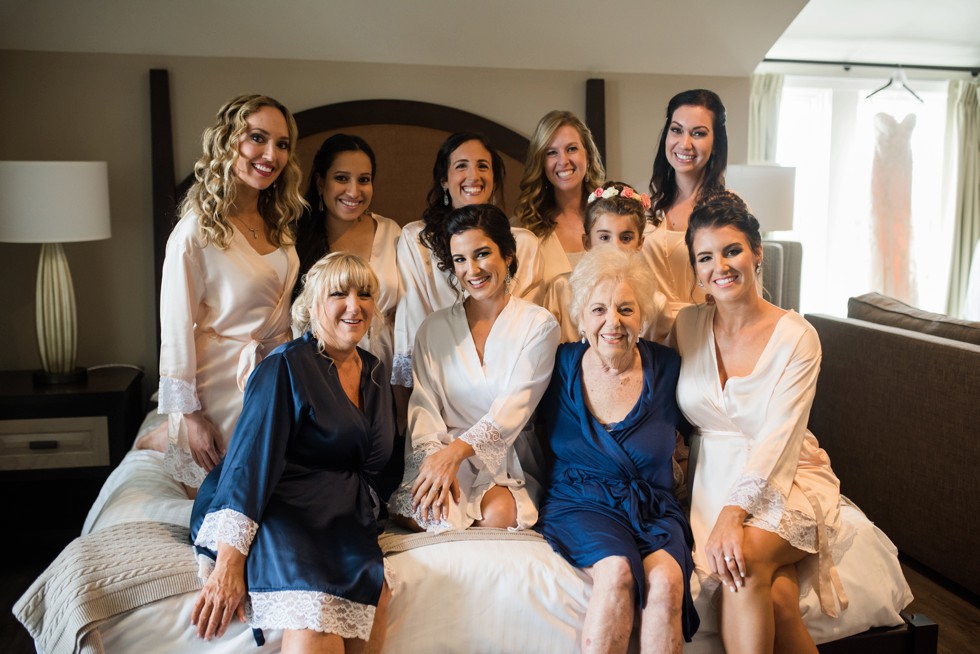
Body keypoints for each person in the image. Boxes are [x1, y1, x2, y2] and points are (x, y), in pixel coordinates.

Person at [674, 192, 910, 653]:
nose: (720, 266)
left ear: (757, 252)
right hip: (710, 480)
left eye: (732, 250)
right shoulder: (685, 325)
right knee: (780, 599)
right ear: (695, 269)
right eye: (705, 257)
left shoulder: (798, 336)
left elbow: (780, 438)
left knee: (740, 565)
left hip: (787, 477)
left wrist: (733, 514)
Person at [190, 252, 394, 653]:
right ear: (312, 304)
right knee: (315, 616)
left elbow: (379, 465)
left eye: (365, 294)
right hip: (281, 504)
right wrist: (230, 562)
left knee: (377, 596)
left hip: (342, 513)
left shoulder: (374, 371)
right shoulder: (284, 367)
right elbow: (249, 464)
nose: (355, 305)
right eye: (340, 293)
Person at [536, 247, 699, 653]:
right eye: (598, 310)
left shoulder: (670, 369)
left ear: (642, 314)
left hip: (654, 508)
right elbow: (504, 411)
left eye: (626, 309)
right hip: (580, 502)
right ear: (580, 317)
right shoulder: (557, 365)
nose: (613, 322)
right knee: (617, 571)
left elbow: (717, 424)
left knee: (667, 583)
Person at [138, 94, 304, 490]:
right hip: (219, 385)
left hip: (274, 378)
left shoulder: (277, 220)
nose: (271, 154)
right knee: (234, 495)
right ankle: (168, 434)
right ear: (228, 142)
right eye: (257, 138)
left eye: (282, 144)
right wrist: (192, 419)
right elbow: (176, 329)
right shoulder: (195, 232)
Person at [388, 204, 559, 533]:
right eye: (460, 260)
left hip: (505, 457)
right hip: (440, 457)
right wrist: (434, 464)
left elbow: (515, 407)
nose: (472, 270)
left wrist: (456, 454)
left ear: (507, 255)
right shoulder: (432, 328)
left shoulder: (538, 325)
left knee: (497, 518)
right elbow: (423, 407)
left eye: (482, 254)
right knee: (431, 514)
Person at [391, 132, 543, 392]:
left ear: (494, 180)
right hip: (438, 379)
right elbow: (413, 321)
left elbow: (526, 324)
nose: (474, 176)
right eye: (461, 166)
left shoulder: (524, 244)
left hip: (507, 382)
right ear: (444, 181)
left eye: (483, 166)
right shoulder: (416, 240)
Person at [294, 133, 401, 376]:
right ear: (321, 183)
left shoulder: (391, 232)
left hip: (382, 364)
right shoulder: (297, 238)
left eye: (364, 180)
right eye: (342, 178)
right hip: (319, 367)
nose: (354, 191)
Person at [543, 181, 670, 344]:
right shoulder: (561, 289)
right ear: (587, 242)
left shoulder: (656, 303)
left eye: (626, 238)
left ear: (640, 243)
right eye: (604, 237)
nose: (615, 247)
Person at [642, 89, 728, 328]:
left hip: (704, 336)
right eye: (676, 130)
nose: (685, 143)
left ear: (716, 144)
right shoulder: (647, 209)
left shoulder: (727, 211)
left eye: (698, 133)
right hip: (650, 342)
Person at [514, 110, 605, 294]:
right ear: (541, 162)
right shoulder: (524, 229)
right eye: (551, 153)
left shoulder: (612, 219)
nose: (563, 161)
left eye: (571, 149)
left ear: (587, 155)